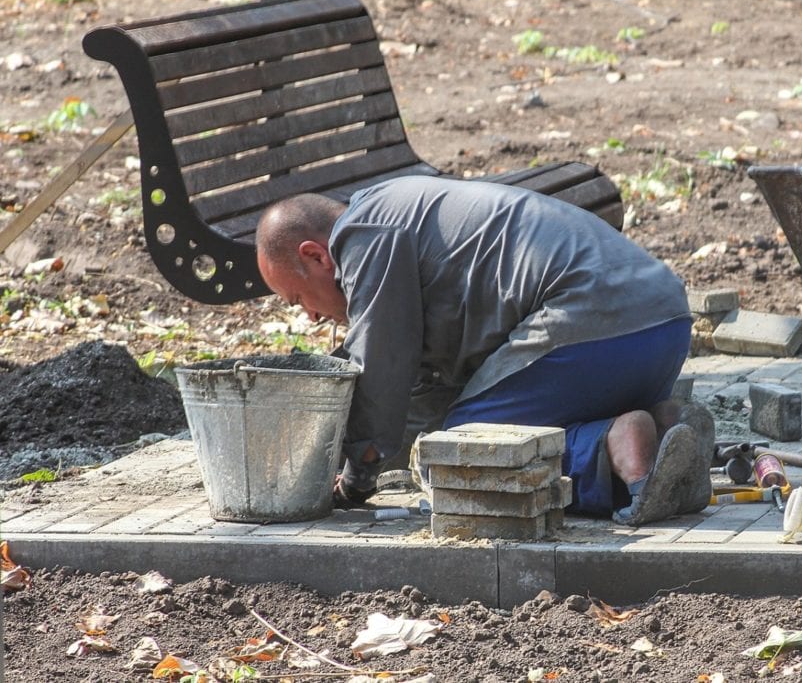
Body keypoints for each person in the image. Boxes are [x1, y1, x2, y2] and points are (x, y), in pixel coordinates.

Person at [255, 175, 715, 525]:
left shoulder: (365, 234)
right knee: (453, 433)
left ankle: (614, 444)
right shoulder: (395, 212)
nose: (310, 318)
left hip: (597, 331)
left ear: (316, 255)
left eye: (298, 299)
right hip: (662, 331)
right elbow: (417, 396)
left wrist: (355, 481)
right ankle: (662, 427)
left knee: (463, 447)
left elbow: (381, 371)